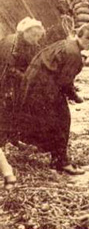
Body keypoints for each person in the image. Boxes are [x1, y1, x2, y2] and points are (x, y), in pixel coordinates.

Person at [18, 23, 89, 175]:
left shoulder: (66, 44)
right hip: (43, 89)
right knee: (62, 121)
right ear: (79, 35)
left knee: (52, 122)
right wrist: (75, 96)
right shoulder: (74, 54)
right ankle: (61, 162)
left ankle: (54, 156)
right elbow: (64, 83)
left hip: (35, 85)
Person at [0, 17, 46, 146]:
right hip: (5, 80)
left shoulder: (29, 43)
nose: (36, 39)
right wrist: (27, 78)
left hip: (16, 80)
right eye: (34, 36)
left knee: (18, 109)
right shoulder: (11, 44)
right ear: (25, 32)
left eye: (38, 36)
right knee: (5, 109)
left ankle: (13, 138)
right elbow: (7, 69)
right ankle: (3, 142)